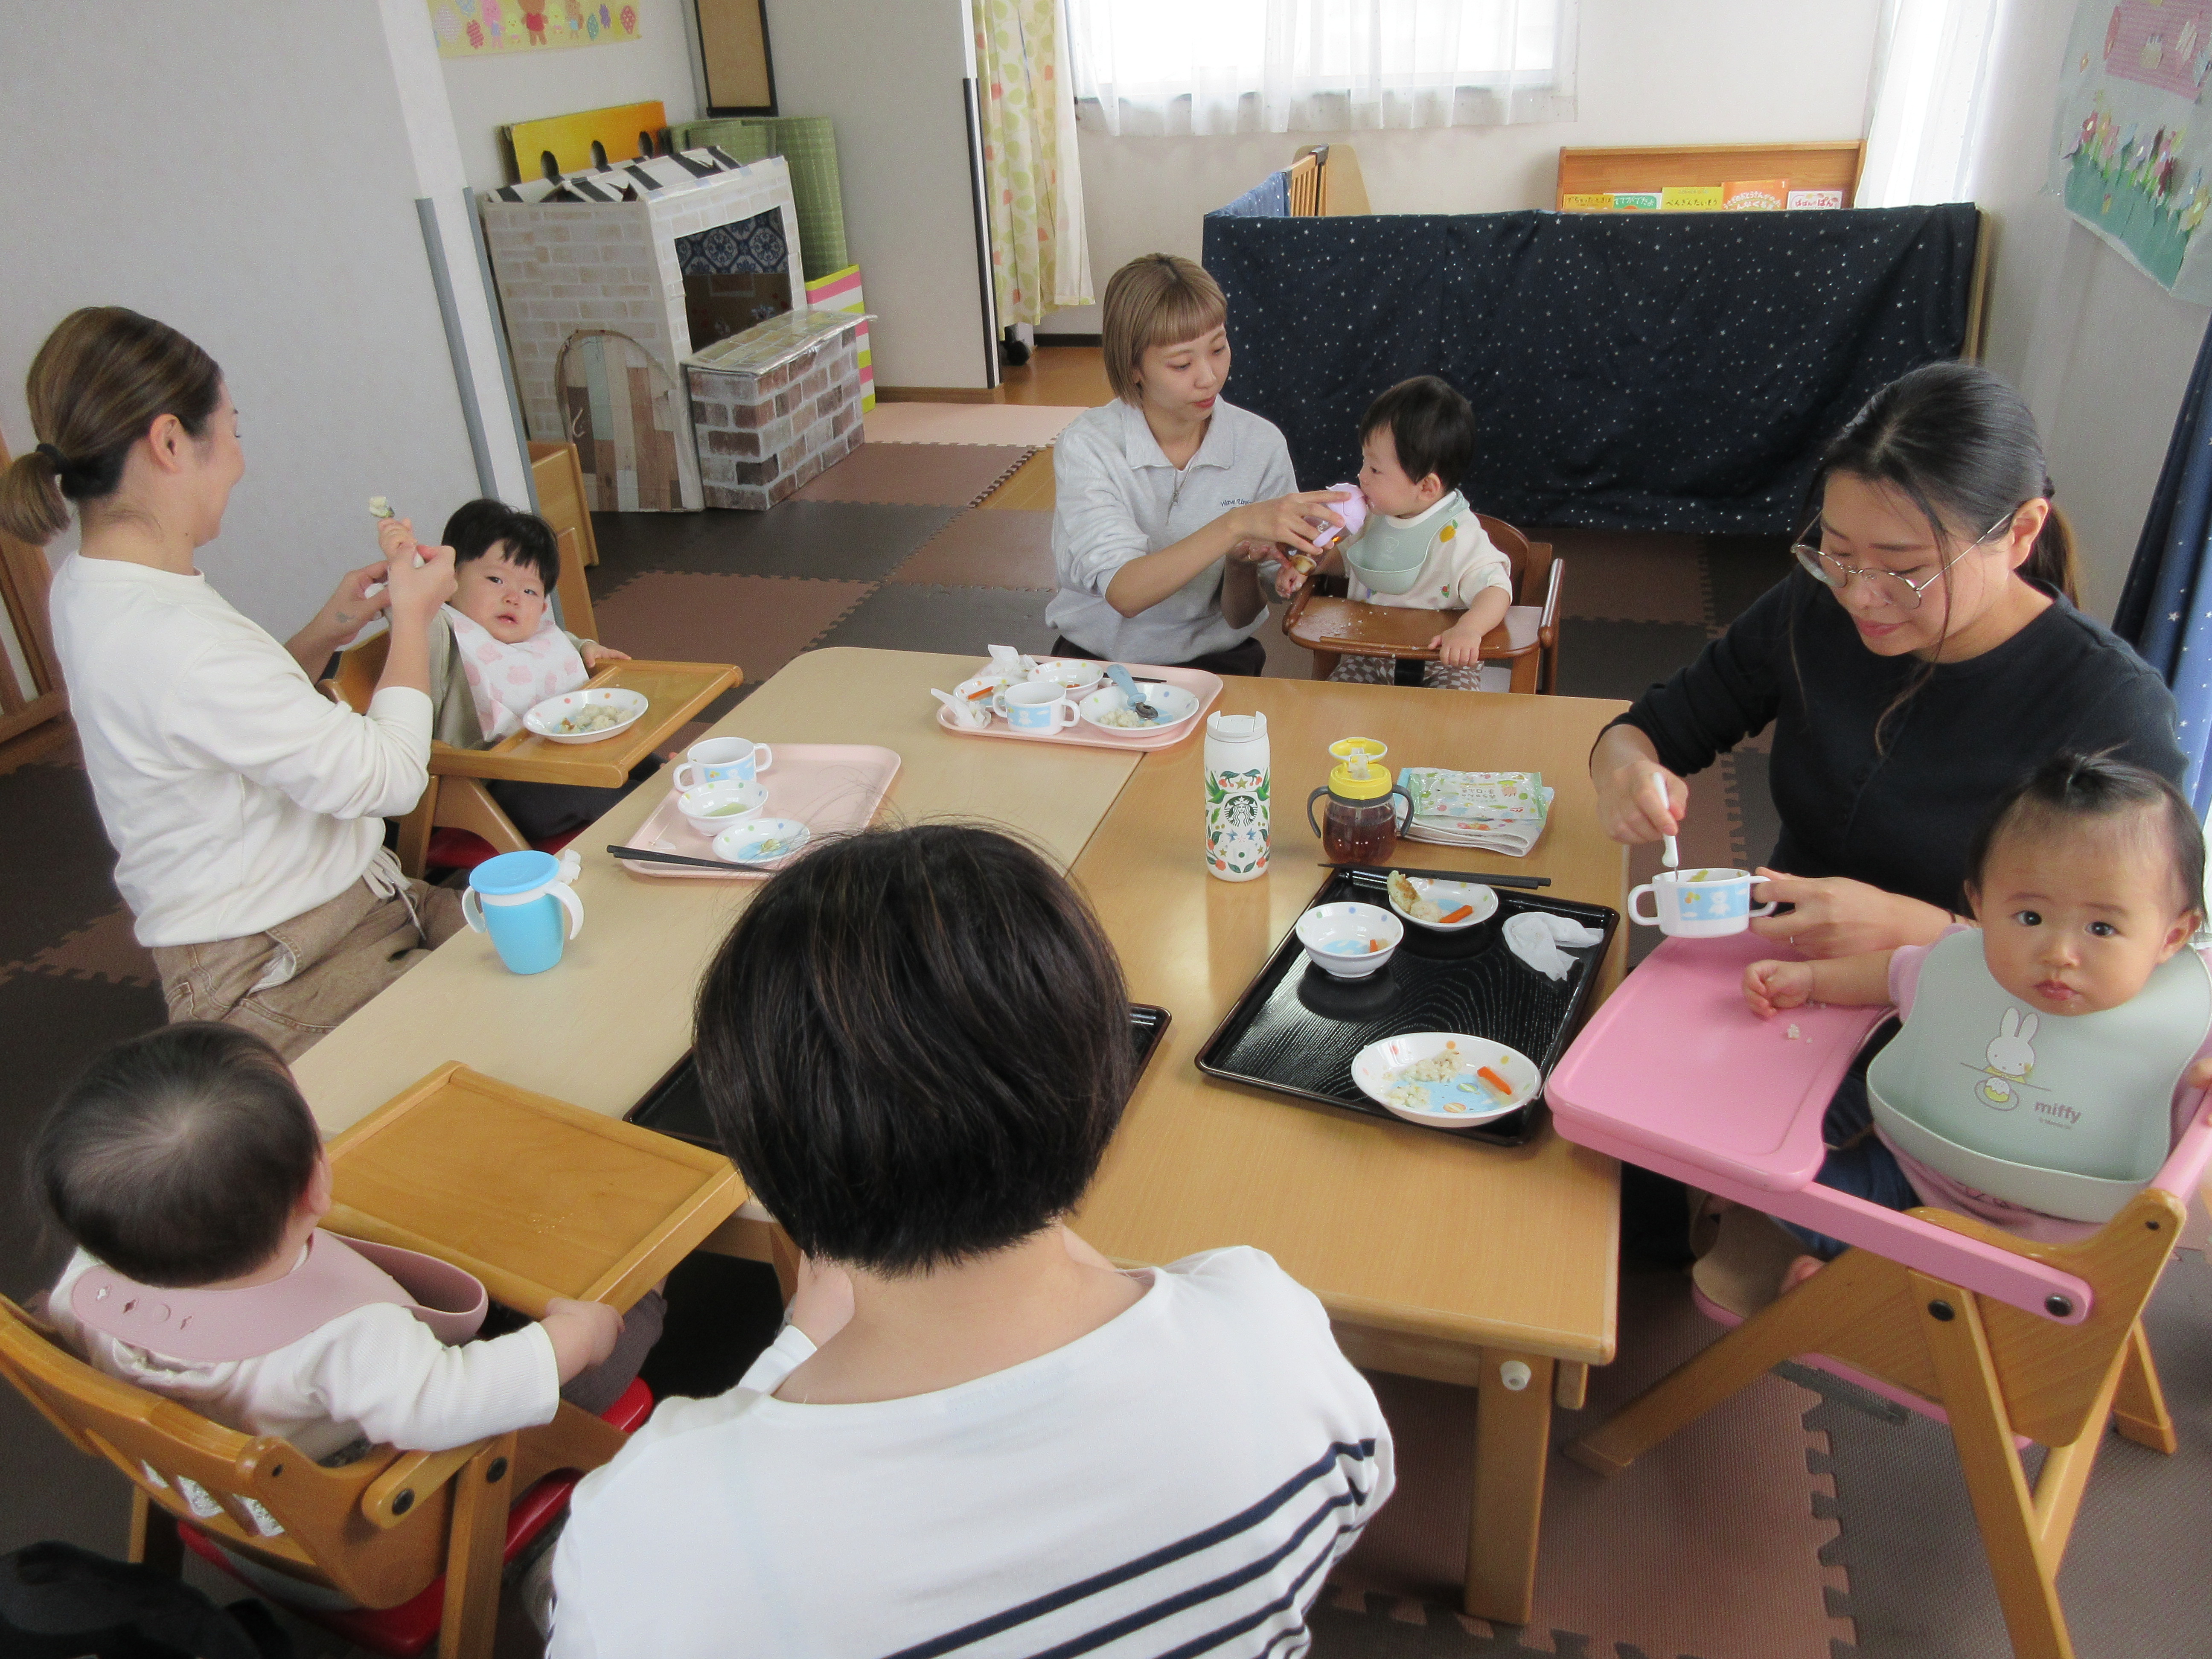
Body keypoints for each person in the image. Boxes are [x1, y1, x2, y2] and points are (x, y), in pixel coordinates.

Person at [547, 825, 1393, 1659]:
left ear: (762, 1162)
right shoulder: (1268, 1334)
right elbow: (1353, 1497)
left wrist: (791, 1348)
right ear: (1105, 1082)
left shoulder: (662, 1525)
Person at [1590, 361, 2186, 961]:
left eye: (1904, 570)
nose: (1859, 596)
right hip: (1785, 969)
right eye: (1837, 552)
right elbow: (1649, 730)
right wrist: (1624, 775)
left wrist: (1918, 931)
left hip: (1986, 1018)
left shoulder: (2112, 707)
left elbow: (2130, 954)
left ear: (2022, 533)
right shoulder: (1817, 604)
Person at [0, 308, 463, 1059]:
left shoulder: (95, 583)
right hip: (280, 970)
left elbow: (209, 718)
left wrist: (325, 633)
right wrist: (412, 617)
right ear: (171, 440)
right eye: (234, 429)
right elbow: (390, 779)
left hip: (354, 905)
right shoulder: (173, 636)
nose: (241, 459)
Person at [34, 1023, 632, 1465]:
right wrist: (575, 1339)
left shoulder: (88, 1280)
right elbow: (448, 1401)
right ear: (314, 1190)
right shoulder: (350, 1337)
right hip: (368, 1520)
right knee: (634, 1293)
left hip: (229, 1502)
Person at [1743, 753, 2212, 1281]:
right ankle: (1875, 1283)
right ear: (1981, 904)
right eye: (2029, 917)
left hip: (2056, 1242)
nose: (2059, 952)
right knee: (1767, 1180)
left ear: (2172, 936)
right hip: (1914, 1178)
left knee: (2047, 1306)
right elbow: (1892, 972)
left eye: (2101, 929)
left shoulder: (2189, 1027)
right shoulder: (1964, 965)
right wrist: (1810, 982)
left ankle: (1867, 1289)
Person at [1046, 253, 1353, 675]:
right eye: (1182, 364)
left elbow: (1242, 617)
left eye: (1219, 348)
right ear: (1133, 367)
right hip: (1095, 663)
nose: (1208, 377)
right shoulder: (1090, 446)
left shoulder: (1260, 444)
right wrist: (1238, 523)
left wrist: (1249, 565)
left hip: (1217, 663)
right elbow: (1124, 593)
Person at [1273, 375, 1511, 689]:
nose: (1361, 476)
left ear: (1427, 487)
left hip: (1442, 660)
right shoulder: (1374, 516)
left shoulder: (1459, 534)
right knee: (1333, 706)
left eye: (1375, 469)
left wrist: (1469, 630)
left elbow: (1496, 589)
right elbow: (1346, 561)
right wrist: (1307, 565)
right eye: (1363, 462)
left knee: (1455, 723)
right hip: (1370, 654)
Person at [425, 498, 638, 842]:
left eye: (529, 590)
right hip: (486, 789)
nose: (514, 597)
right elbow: (414, 614)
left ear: (542, 606)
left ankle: (682, 788)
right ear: (449, 581)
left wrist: (585, 647)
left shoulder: (531, 632)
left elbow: (551, 641)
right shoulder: (443, 635)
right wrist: (410, 571)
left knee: (637, 753)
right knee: (589, 790)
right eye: (496, 579)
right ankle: (657, 820)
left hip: (555, 763)